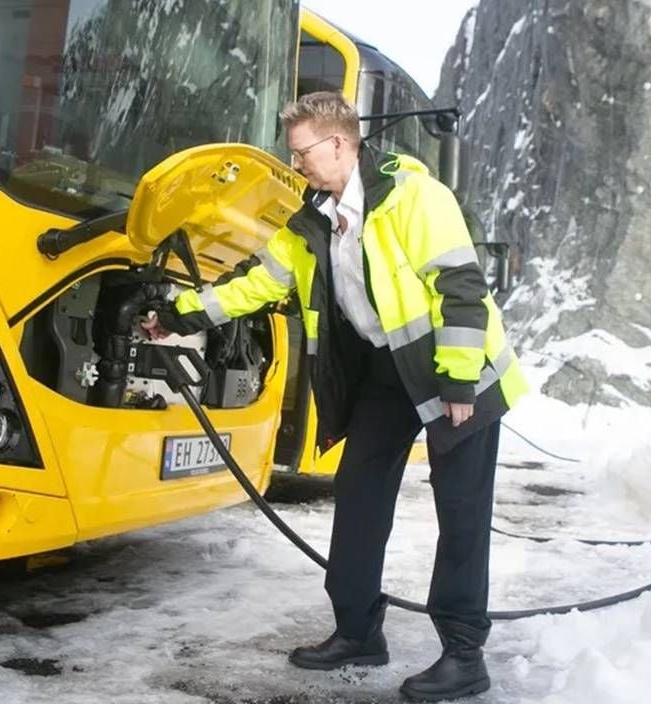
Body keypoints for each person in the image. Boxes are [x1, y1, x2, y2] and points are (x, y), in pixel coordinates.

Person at [141, 92, 526, 702]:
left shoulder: (415, 198)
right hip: (387, 372)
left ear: (340, 143)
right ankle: (357, 631)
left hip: (460, 372)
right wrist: (180, 313)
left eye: (302, 154)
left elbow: (459, 285)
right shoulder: (311, 220)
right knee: (359, 491)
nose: (296, 166)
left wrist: (457, 380)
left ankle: (462, 654)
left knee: (461, 512)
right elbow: (255, 284)